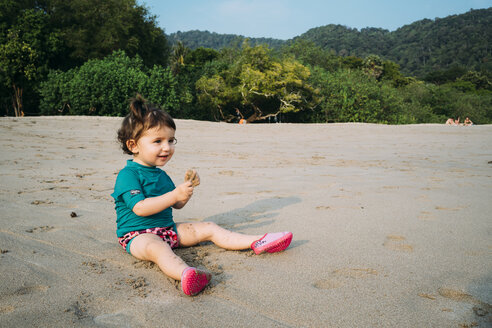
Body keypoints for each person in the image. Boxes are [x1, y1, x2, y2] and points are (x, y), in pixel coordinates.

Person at [112, 95, 293, 296]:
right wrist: (174, 195)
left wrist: (185, 191)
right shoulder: (128, 175)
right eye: (158, 141)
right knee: (158, 249)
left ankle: (257, 241)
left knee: (209, 227)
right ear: (133, 145)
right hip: (137, 236)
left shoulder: (161, 175)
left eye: (171, 140)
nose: (167, 147)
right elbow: (140, 207)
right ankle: (186, 274)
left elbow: (177, 205)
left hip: (167, 230)